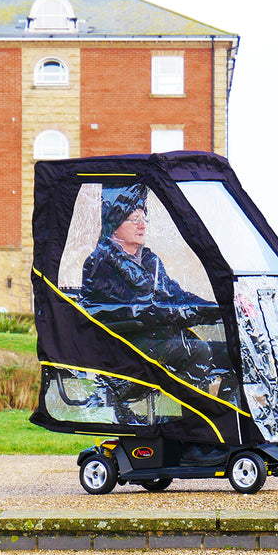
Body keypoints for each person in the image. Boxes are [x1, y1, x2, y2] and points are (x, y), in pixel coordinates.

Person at [81, 184, 232, 464]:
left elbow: (175, 295)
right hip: (125, 349)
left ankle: (225, 432)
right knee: (197, 351)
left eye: (143, 218)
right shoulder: (100, 263)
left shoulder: (149, 260)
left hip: (158, 340)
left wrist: (223, 308)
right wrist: (178, 314)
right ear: (115, 223)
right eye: (133, 219)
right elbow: (133, 312)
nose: (142, 225)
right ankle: (193, 437)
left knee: (232, 353)